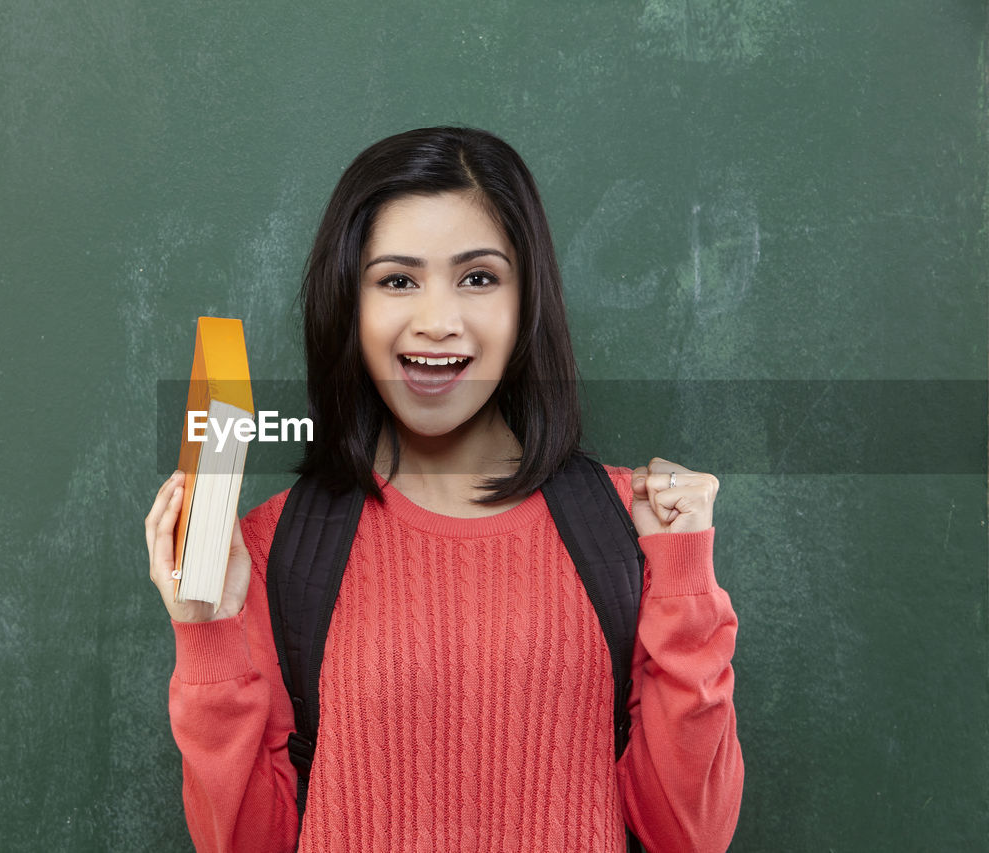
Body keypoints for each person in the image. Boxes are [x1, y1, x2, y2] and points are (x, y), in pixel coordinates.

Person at [146, 126, 743, 852]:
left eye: (479, 277)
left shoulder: (632, 529)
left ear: (528, 299)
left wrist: (685, 590)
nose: (436, 321)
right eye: (397, 280)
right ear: (350, 304)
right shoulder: (274, 551)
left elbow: (690, 834)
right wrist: (207, 632)